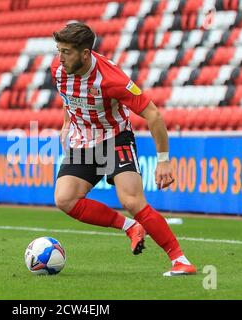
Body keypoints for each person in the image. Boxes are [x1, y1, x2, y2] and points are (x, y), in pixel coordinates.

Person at [51, 22, 196, 276]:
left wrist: (163, 160)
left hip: (114, 138)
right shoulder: (59, 69)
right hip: (82, 141)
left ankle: (180, 260)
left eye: (66, 52)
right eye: (59, 50)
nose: (60, 57)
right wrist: (66, 124)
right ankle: (130, 227)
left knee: (131, 200)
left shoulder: (111, 79)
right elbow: (68, 96)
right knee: (65, 199)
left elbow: (154, 115)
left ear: (85, 54)